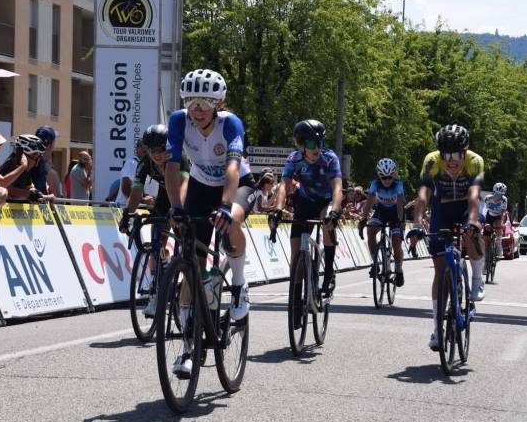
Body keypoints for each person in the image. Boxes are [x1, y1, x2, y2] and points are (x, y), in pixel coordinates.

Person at [163, 69, 258, 376]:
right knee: (191, 263)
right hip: (201, 186)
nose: (197, 109)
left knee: (232, 224)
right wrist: (176, 207)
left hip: (237, 184)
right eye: (191, 101)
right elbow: (172, 167)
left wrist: (227, 207)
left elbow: (232, 169)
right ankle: (188, 348)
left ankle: (239, 285)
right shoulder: (178, 121)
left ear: (219, 104)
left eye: (205, 102)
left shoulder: (230, 123)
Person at [413, 124, 486, 352]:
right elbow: (423, 195)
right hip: (442, 209)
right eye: (447, 155)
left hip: (467, 208)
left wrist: (472, 222)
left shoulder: (475, 161)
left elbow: (474, 196)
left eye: (457, 155)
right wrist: (417, 223)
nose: (451, 161)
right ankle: (437, 329)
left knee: (472, 233)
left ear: (465, 152)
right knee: (439, 269)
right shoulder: (431, 161)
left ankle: (477, 278)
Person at [270, 119, 344, 313]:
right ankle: (295, 298)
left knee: (327, 220)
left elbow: (338, 189)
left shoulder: (329, 158)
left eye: (320, 143)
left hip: (326, 202)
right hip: (304, 202)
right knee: (296, 254)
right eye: (311, 144)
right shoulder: (294, 159)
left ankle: (329, 272)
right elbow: (284, 187)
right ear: (300, 145)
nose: (316, 148)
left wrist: (335, 212)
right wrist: (278, 209)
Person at [119, 124, 190, 316]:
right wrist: (128, 214)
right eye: (152, 150)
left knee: (186, 243)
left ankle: (186, 275)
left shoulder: (179, 158)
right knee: (156, 243)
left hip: (185, 196)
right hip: (164, 198)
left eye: (160, 149)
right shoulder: (144, 164)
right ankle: (155, 291)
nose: (156, 155)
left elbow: (183, 185)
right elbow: (136, 192)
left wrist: (177, 210)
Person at [362, 158, 406, 287]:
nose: (387, 180)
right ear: (379, 176)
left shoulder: (398, 184)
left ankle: (399, 269)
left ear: (394, 175)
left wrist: (400, 222)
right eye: (383, 177)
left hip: (395, 213)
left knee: (396, 243)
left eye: (389, 177)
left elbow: (400, 205)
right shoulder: (375, 183)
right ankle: (375, 262)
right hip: (381, 211)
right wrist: (363, 219)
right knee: (370, 231)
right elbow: (369, 202)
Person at [0, 135, 54, 202]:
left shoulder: (27, 169)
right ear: (26, 155)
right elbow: (3, 186)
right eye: (36, 155)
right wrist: (29, 195)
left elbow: (27, 188)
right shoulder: (14, 163)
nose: (39, 159)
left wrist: (40, 195)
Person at [483, 182, 509, 259]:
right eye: (496, 193)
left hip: (498, 216)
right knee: (486, 237)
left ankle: (498, 243)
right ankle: (485, 254)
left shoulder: (504, 200)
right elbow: (484, 210)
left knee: (498, 226)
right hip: (489, 215)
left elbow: (503, 212)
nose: (498, 195)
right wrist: (485, 223)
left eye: (500, 194)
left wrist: (502, 223)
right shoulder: (488, 198)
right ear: (493, 192)